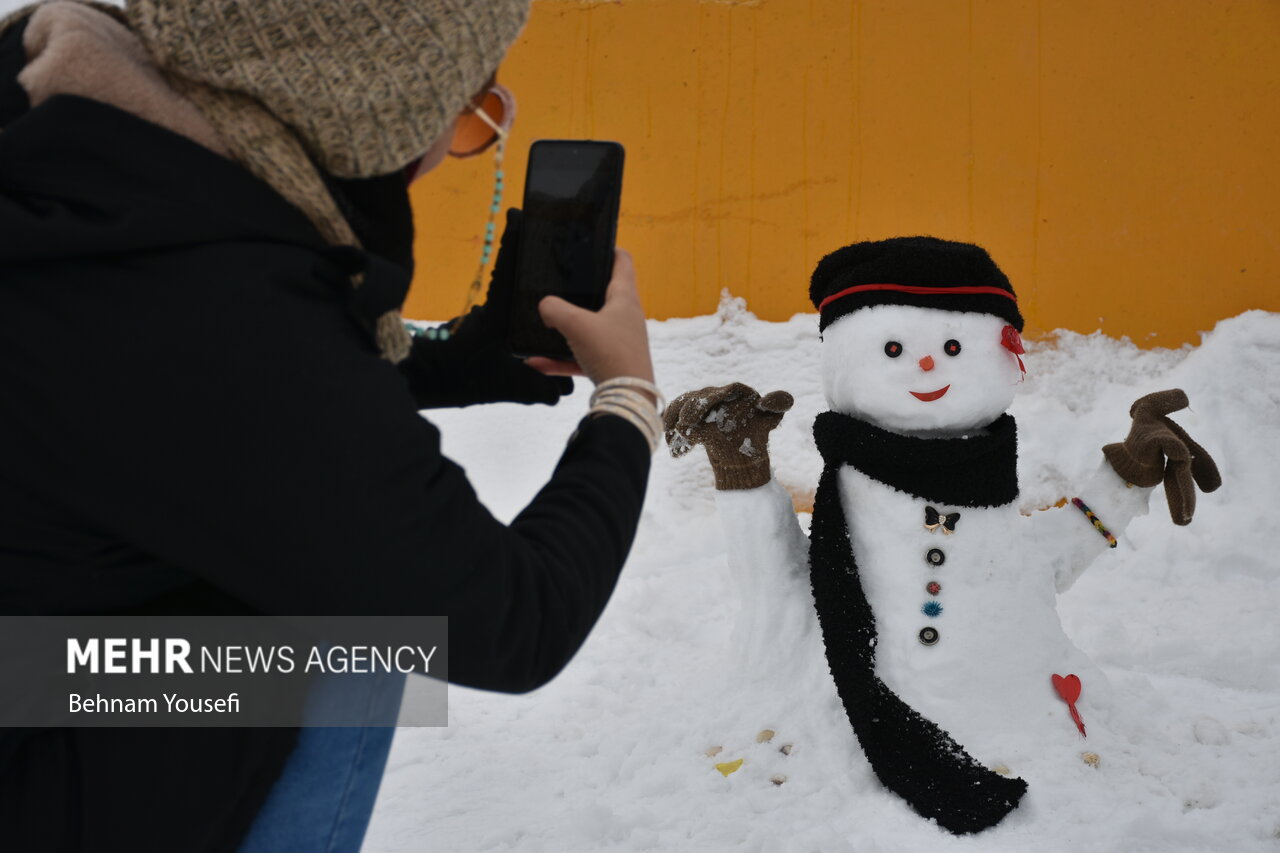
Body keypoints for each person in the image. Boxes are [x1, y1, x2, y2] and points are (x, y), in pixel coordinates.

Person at [0, 1, 658, 850]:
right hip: (33, 726)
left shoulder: (63, 104)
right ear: (372, 102)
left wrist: (468, 361)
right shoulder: (220, 308)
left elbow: (172, 398)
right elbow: (514, 620)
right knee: (363, 643)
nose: (475, 132)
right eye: (469, 109)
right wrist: (629, 398)